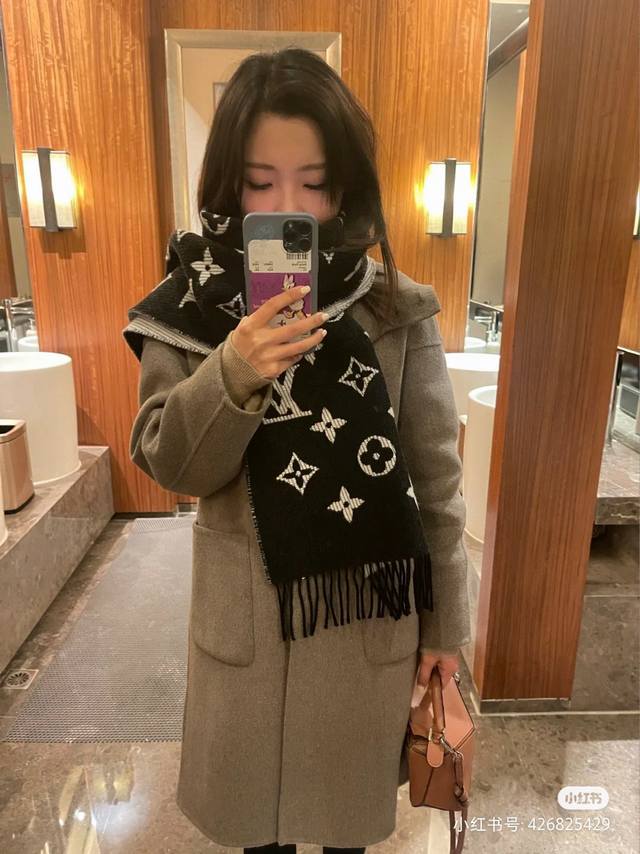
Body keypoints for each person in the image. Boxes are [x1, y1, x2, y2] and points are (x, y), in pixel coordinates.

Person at [124, 47, 471, 853]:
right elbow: (172, 463)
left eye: (313, 183)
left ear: (344, 188)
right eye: (261, 182)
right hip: (245, 634)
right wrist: (234, 371)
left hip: (363, 636)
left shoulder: (394, 309)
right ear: (228, 187)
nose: (290, 207)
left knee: (347, 833)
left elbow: (437, 484)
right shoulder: (186, 307)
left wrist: (446, 630)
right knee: (260, 836)